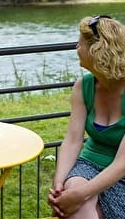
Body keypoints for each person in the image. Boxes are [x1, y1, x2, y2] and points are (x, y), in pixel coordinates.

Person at [48, 15, 125, 219]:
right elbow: (73, 140)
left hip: (121, 172)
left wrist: (80, 194)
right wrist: (59, 183)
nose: (76, 48)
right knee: (73, 193)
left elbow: (123, 162)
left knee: (76, 200)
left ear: (96, 51)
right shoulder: (84, 86)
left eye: (80, 43)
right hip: (90, 163)